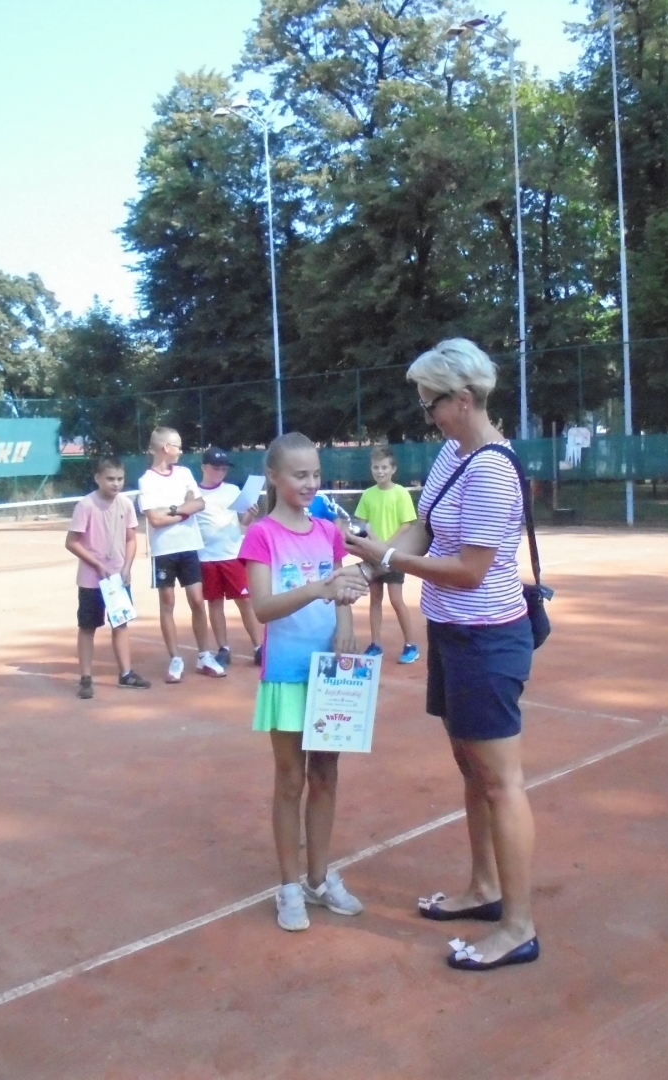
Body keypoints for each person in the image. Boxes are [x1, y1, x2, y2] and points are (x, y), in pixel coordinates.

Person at [343, 338, 539, 971]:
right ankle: (483, 889)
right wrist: (372, 559)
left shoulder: (491, 469)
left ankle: (518, 926)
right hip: (453, 635)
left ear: (462, 400)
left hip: (488, 638)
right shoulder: (456, 456)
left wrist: (387, 560)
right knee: (470, 769)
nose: (425, 414)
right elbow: (422, 527)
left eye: (430, 403)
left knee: (502, 782)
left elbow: (470, 571)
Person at [240, 432, 369, 932]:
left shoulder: (328, 531)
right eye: (299, 475)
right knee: (290, 778)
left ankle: (320, 877)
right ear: (273, 476)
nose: (310, 483)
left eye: (315, 474)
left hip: (330, 676)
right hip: (287, 673)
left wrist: (347, 627)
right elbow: (264, 607)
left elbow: (344, 592)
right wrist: (318, 587)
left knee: (326, 774)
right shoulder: (262, 536)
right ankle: (290, 886)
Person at [136, 427, 225, 683]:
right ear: (165, 448)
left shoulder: (184, 473)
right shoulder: (147, 480)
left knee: (197, 600)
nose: (181, 450)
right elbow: (154, 519)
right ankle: (175, 658)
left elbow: (199, 503)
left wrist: (173, 510)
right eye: (177, 446)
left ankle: (204, 655)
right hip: (163, 551)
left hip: (189, 547)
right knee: (168, 603)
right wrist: (183, 510)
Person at [66, 456, 151, 696]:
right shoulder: (86, 505)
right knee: (87, 627)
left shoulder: (125, 504)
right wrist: (96, 564)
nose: (115, 483)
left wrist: (126, 568)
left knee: (121, 623)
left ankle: (126, 673)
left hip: (117, 579)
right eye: (110, 479)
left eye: (120, 479)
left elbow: (131, 538)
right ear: (98, 478)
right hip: (92, 581)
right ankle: (85, 678)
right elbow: (71, 542)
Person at [195, 446, 263, 668]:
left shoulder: (233, 490)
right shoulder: (193, 494)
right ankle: (223, 648)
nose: (220, 472)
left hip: (233, 555)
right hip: (206, 558)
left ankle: (259, 647)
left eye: (223, 469)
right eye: (216, 468)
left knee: (245, 600)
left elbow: (243, 522)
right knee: (215, 602)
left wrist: (251, 515)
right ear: (204, 467)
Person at [353, 444, 420, 664]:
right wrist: (369, 543)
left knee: (396, 599)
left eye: (383, 467)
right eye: (375, 467)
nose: (379, 471)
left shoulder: (400, 493)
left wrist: (386, 547)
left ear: (393, 469)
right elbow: (361, 524)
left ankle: (411, 644)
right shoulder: (368, 495)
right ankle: (375, 645)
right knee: (375, 598)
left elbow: (407, 525)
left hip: (393, 556)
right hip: (371, 557)